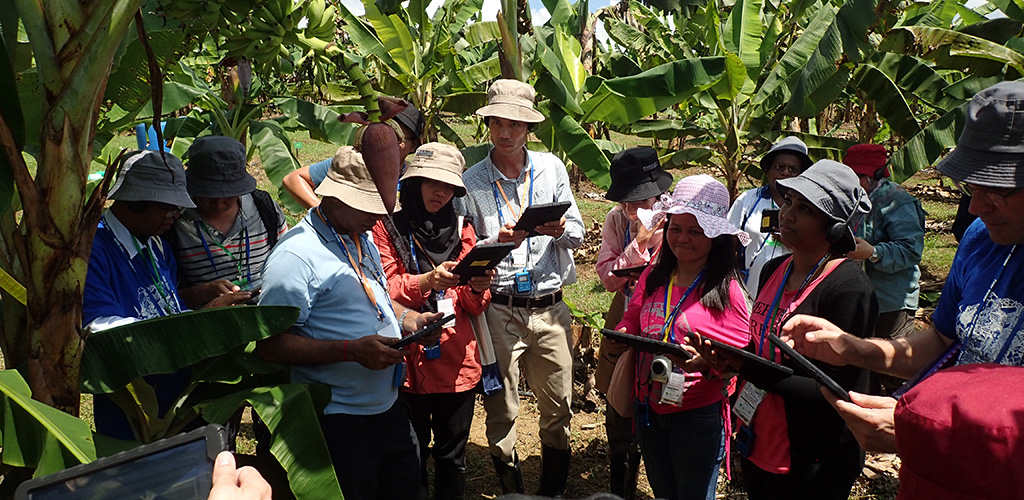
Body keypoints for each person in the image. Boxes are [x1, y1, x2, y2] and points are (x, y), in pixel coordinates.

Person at [780, 81, 1024, 453]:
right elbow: (943, 341)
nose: (975, 208)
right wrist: (855, 349)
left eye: (995, 190)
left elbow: (907, 251)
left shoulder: (899, 203)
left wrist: (936, 431)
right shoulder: (981, 239)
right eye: (971, 189)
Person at [255, 146, 441, 500]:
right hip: (339, 417)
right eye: (368, 208)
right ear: (334, 199)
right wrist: (349, 351)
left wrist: (409, 318)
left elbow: (379, 300)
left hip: (387, 405)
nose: (378, 217)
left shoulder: (361, 235)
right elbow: (270, 344)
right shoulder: (295, 258)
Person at [694, 160, 877, 500]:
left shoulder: (848, 289)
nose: (787, 214)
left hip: (812, 455)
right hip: (762, 437)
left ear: (836, 227)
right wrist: (726, 358)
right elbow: (761, 348)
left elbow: (837, 392)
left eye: (805, 209)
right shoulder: (775, 269)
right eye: (788, 201)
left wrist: (746, 366)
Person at [460, 79, 585, 496]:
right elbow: (465, 250)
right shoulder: (471, 181)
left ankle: (551, 492)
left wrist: (560, 229)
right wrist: (498, 242)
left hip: (550, 307)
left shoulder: (552, 169)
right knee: (501, 407)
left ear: (528, 127)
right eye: (498, 123)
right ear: (489, 125)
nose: (506, 132)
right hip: (499, 309)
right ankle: (512, 490)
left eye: (515, 124)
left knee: (558, 406)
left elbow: (581, 233)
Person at [83, 150, 250, 440]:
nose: (176, 216)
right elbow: (101, 330)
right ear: (136, 203)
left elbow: (168, 308)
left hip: (177, 401)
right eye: (168, 208)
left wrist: (203, 305)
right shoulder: (94, 251)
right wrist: (201, 321)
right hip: (132, 413)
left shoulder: (157, 245)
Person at [610, 175, 750, 500]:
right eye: (675, 228)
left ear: (715, 238)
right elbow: (632, 317)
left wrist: (709, 364)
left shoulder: (729, 293)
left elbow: (743, 360)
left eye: (695, 231)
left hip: (697, 414)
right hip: (647, 405)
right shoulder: (655, 274)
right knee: (664, 492)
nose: (682, 239)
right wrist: (623, 334)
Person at [370, 142, 493, 500]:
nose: (441, 193)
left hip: (456, 362)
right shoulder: (387, 226)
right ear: (414, 181)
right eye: (432, 183)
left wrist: (479, 285)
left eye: (449, 187)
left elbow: (474, 303)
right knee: (411, 452)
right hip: (408, 360)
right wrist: (428, 281)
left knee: (452, 456)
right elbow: (384, 288)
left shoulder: (462, 227)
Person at [593, 146, 672, 499]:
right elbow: (608, 278)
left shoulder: (676, 222)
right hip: (625, 314)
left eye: (639, 201)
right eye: (626, 202)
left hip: (665, 323)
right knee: (617, 396)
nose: (631, 210)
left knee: (659, 394)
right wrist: (638, 243)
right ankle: (620, 482)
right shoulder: (616, 221)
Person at [841, 144, 925, 393]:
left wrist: (874, 253)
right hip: (858, 298)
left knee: (892, 368)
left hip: (891, 303)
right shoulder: (852, 199)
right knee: (861, 365)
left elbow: (911, 251)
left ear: (873, 176)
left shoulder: (897, 202)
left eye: (857, 177)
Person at [171, 136, 287, 309]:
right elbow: (165, 297)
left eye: (228, 195)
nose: (219, 204)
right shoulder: (173, 221)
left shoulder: (264, 207)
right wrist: (205, 292)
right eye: (208, 194)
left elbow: (286, 259)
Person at [282, 102, 425, 209]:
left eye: (398, 137)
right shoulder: (355, 162)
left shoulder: (414, 177)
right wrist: (319, 211)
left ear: (413, 145)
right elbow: (293, 179)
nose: (388, 141)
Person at [727, 136, 813, 295]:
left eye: (793, 169)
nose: (786, 173)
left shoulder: (811, 208)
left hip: (793, 295)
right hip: (749, 293)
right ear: (767, 170)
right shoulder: (748, 201)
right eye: (779, 167)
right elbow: (727, 244)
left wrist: (794, 244)